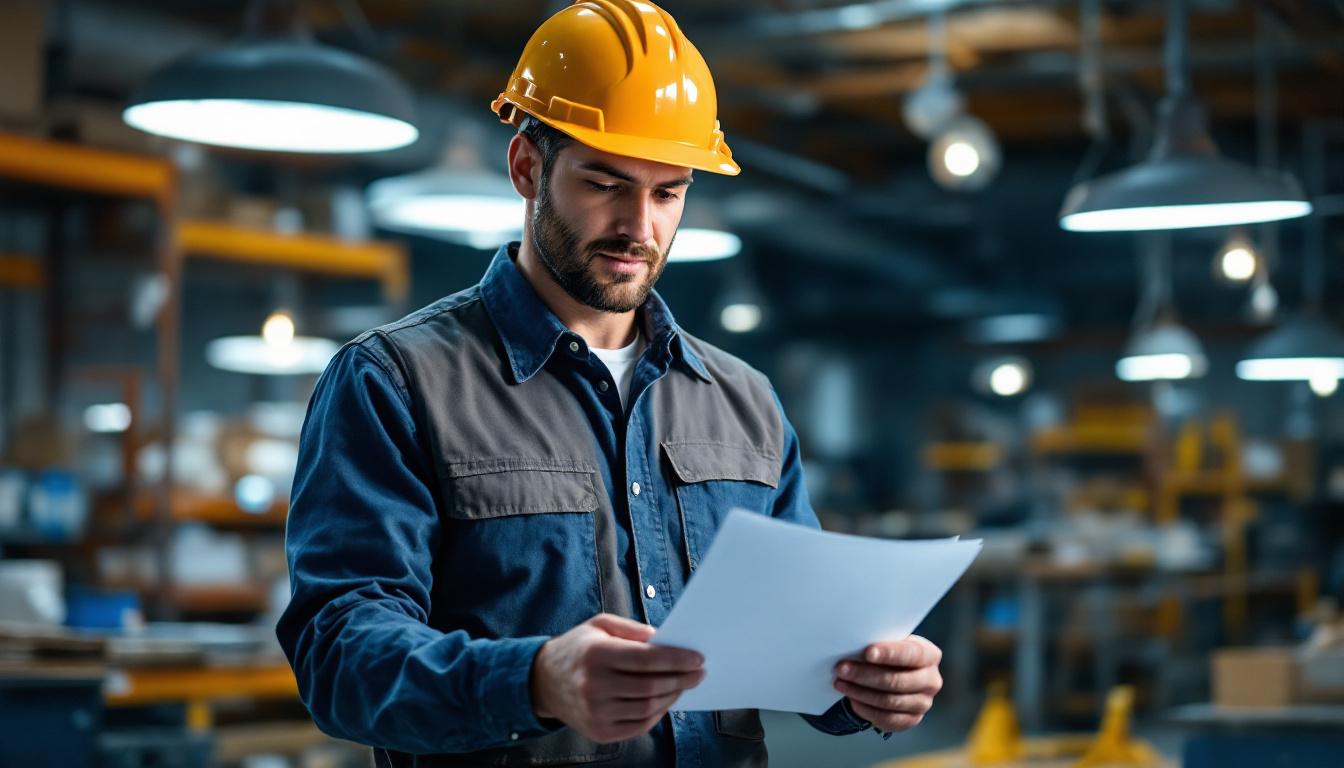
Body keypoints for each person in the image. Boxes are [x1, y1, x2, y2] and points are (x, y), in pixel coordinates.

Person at [276, 2, 943, 766]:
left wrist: (870, 687)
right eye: (606, 183)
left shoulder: (744, 402)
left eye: (668, 193)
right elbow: (339, 655)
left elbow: (806, 643)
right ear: (528, 168)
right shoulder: (394, 381)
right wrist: (530, 681)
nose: (640, 227)